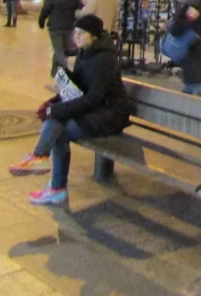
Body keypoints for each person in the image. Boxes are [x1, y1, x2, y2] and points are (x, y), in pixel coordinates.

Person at [9, 15, 131, 206]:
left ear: (95, 36)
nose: (77, 36)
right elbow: (80, 87)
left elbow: (94, 98)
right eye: (76, 32)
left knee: (59, 129)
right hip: (95, 111)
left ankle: (53, 182)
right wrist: (61, 86)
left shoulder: (105, 59)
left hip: (110, 116)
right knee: (55, 115)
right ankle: (41, 158)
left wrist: (58, 110)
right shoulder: (85, 52)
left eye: (82, 33)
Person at [39, 0, 82, 76]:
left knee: (59, 50)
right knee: (64, 49)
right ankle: (55, 71)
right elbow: (79, 9)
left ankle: (64, 72)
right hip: (68, 27)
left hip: (55, 28)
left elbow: (45, 10)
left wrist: (41, 22)